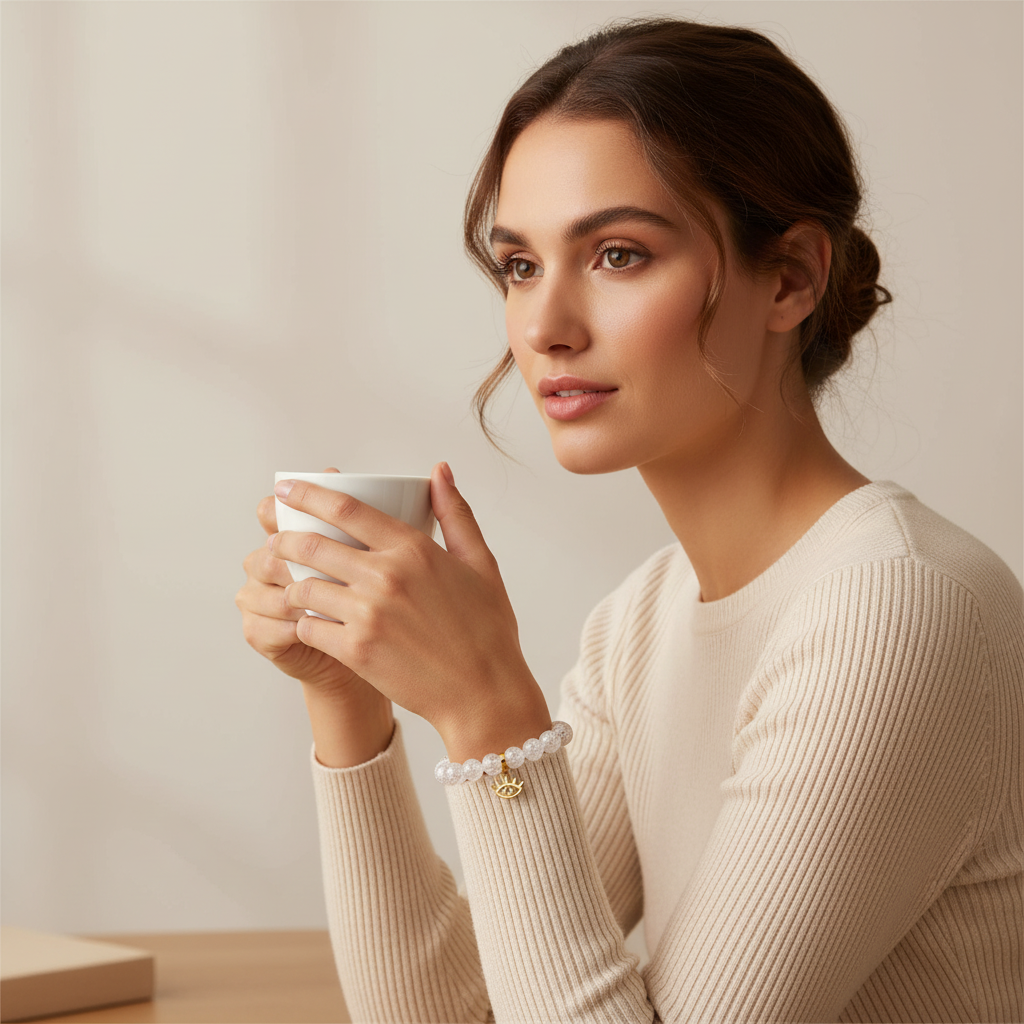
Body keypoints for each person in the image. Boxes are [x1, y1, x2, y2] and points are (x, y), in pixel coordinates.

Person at [235, 17, 1022, 1023]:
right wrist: (348, 699)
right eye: (520, 266)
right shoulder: (640, 624)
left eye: (616, 254)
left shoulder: (899, 608)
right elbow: (452, 1015)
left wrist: (489, 713)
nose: (544, 327)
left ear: (790, 277)